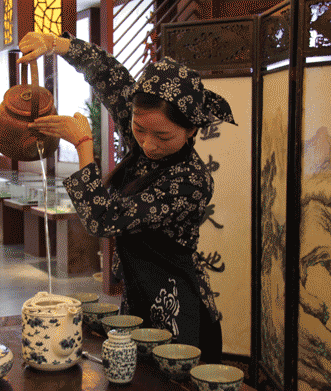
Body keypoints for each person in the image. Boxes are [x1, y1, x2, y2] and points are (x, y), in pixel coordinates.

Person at [18, 32, 236, 363]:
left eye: (163, 136)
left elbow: (102, 219)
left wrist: (83, 145)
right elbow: (108, 74)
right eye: (139, 129)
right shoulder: (144, 132)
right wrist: (54, 43)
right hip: (138, 291)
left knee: (167, 379)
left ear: (192, 129)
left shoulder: (190, 180)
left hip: (176, 301)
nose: (147, 144)